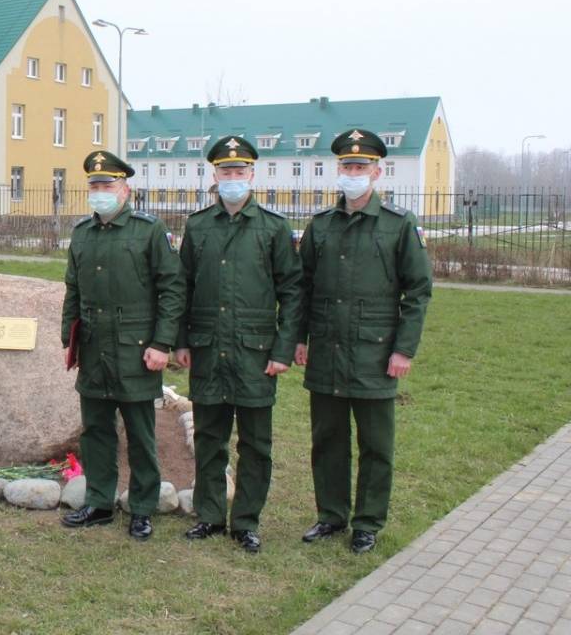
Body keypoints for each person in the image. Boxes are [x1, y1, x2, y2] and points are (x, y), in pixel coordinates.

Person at [295, 129, 432, 554]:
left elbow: (418, 290)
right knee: (328, 441)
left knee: (376, 445)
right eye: (347, 167)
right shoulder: (321, 226)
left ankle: (368, 522)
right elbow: (303, 287)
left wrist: (404, 349)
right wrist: (299, 339)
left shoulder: (397, 225)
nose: (353, 174)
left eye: (360, 167)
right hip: (327, 351)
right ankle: (331, 516)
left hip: (375, 353)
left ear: (377, 171)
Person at [174, 135, 302, 553]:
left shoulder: (273, 227)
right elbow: (182, 287)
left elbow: (292, 292)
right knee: (210, 438)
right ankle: (209, 515)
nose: (233, 177)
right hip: (209, 350)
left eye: (239, 171)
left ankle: (246, 520)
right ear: (215, 175)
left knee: (255, 444)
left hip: (255, 354)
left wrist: (283, 350)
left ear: (252, 174)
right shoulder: (198, 226)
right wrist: (180, 341)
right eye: (225, 171)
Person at [60, 150, 185, 541]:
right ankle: (98, 501)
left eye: (107, 185)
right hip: (95, 347)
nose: (100, 192)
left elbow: (172, 289)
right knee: (96, 429)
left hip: (137, 348)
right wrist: (70, 336)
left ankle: (143, 507)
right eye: (94, 186)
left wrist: (162, 343)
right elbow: (73, 288)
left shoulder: (148, 231)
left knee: (140, 432)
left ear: (125, 189)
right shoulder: (82, 233)